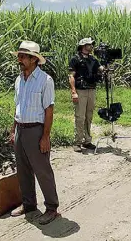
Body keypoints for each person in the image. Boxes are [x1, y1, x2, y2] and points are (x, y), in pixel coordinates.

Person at [9, 41, 60, 225]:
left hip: (36, 131)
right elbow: (18, 106)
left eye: (23, 56)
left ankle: (52, 208)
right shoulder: (19, 79)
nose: (19, 59)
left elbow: (49, 110)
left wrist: (45, 136)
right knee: (23, 170)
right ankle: (29, 204)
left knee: (42, 170)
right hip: (21, 130)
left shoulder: (45, 80)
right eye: (19, 56)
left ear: (33, 59)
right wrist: (14, 129)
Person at [69, 37, 104, 153]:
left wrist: (106, 66)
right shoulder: (75, 59)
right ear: (84, 46)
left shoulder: (93, 60)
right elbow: (71, 76)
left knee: (89, 116)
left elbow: (100, 69)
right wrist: (74, 92)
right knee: (80, 116)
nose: (92, 47)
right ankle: (77, 142)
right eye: (90, 45)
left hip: (91, 90)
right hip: (81, 90)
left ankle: (87, 141)